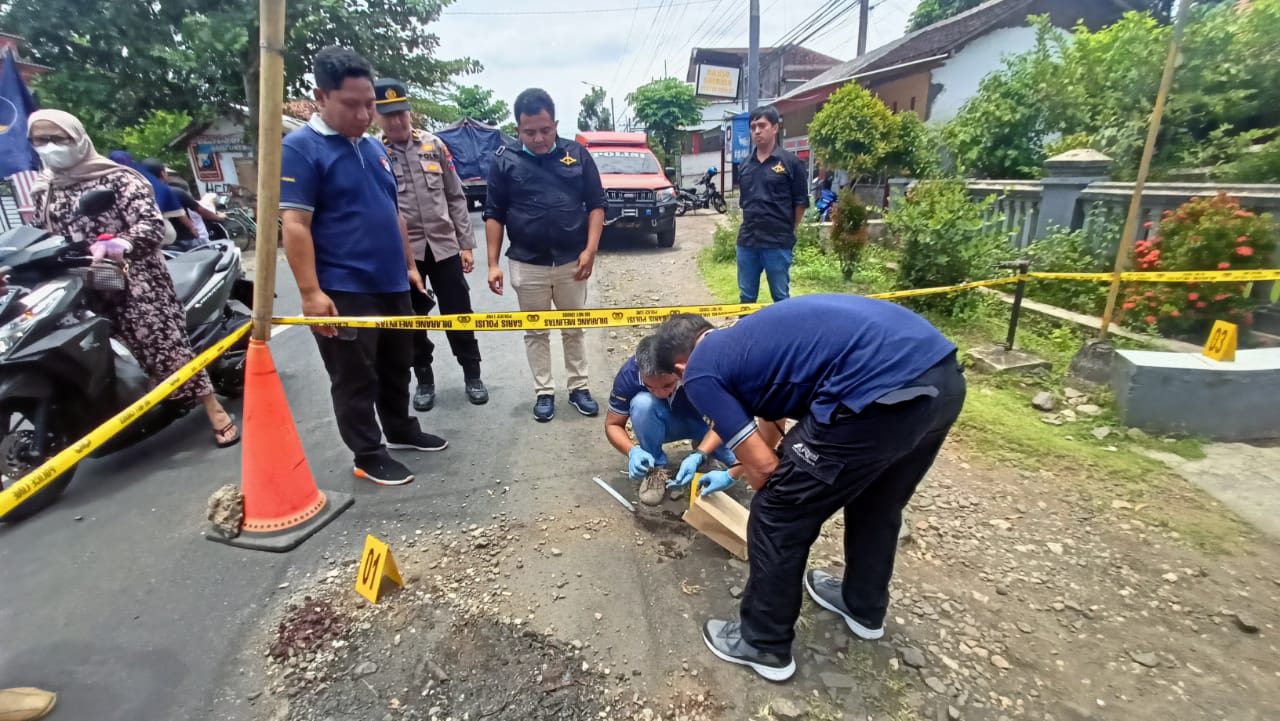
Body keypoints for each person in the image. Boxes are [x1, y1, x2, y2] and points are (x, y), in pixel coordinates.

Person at [653, 295, 966, 682]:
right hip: (942, 378)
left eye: (677, 379)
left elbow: (766, 466)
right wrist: (738, 471)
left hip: (877, 396)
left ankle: (763, 643)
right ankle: (862, 606)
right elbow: (770, 425)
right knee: (877, 501)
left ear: (680, 365)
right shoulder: (749, 340)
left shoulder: (699, 370)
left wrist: (765, 479)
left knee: (776, 513)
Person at [280, 46, 446, 487]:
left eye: (369, 104)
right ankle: (368, 453)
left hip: (391, 282)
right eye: (351, 104)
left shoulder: (373, 147)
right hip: (343, 287)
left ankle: (400, 428)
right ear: (321, 96)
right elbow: (295, 223)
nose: (364, 114)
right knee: (355, 376)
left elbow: (393, 212)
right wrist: (311, 293)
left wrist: (409, 267)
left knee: (399, 362)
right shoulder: (301, 149)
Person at [28, 109, 240, 447]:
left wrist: (121, 243)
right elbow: (40, 235)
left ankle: (213, 407)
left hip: (133, 275)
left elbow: (153, 225)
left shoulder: (118, 178)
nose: (49, 146)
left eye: (58, 138)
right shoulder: (45, 188)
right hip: (77, 281)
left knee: (158, 339)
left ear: (78, 137)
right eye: (41, 140)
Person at [484, 88, 607, 422]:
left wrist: (590, 250)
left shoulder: (577, 155)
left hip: (572, 261)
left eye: (545, 130)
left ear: (555, 123)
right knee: (535, 331)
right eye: (529, 132)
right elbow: (494, 213)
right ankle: (544, 392)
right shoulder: (504, 160)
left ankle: (579, 387)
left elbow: (597, 205)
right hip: (527, 262)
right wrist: (493, 263)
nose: (538, 138)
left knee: (573, 327)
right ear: (517, 128)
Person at [373, 78, 489, 410]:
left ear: (409, 112)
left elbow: (455, 196)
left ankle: (472, 373)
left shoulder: (434, 145)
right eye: (389, 116)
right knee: (413, 321)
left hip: (443, 247)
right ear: (378, 117)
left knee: (459, 312)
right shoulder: (375, 151)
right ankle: (424, 380)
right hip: (402, 254)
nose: (396, 121)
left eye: (401, 114)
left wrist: (465, 244)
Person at [604, 336, 735, 506]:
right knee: (643, 404)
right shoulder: (629, 375)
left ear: (678, 369)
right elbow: (612, 424)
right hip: (664, 422)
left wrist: (701, 453)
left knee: (739, 460)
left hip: (704, 423)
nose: (659, 393)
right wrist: (632, 452)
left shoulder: (698, 368)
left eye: (667, 385)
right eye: (650, 387)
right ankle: (655, 468)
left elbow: (726, 419)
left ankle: (706, 454)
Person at [735, 105, 808, 304]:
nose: (756, 131)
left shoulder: (790, 163)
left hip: (777, 243)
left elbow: (800, 202)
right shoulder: (745, 166)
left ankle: (784, 335)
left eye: (762, 125)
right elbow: (745, 202)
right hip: (748, 242)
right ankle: (747, 335)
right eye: (752, 127)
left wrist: (788, 229)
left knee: (781, 298)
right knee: (746, 298)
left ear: (775, 128)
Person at [107, 149, 190, 246]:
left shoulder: (107, 181)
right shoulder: (148, 181)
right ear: (163, 173)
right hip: (150, 235)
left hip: (124, 237)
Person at [141, 158, 226, 250]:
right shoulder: (175, 192)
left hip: (160, 244)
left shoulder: (141, 195)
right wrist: (219, 217)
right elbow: (201, 211)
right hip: (186, 241)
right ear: (162, 173)